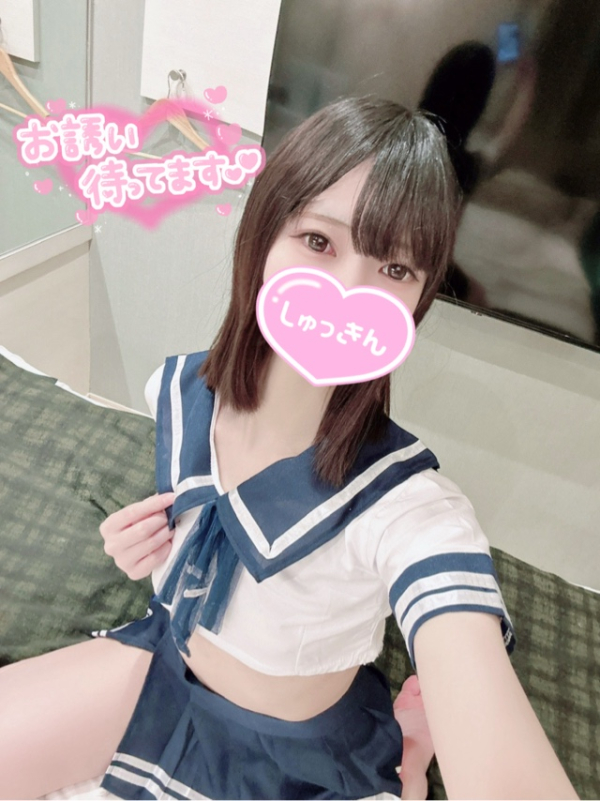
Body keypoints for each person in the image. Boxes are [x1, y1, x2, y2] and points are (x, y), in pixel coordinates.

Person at [0, 97, 578, 801]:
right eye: (319, 241)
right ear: (263, 234)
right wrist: (141, 553)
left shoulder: (409, 508)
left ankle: (407, 758)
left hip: (303, 754)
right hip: (163, 669)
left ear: (419, 300)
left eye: (396, 269)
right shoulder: (175, 392)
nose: (348, 291)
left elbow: (460, 631)